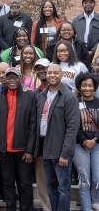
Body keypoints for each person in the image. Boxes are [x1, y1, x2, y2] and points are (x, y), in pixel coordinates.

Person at [35, 64, 80, 211]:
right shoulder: (42, 96)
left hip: (61, 151)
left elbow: (72, 128)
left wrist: (65, 154)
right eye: (50, 73)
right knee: (51, 186)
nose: (52, 75)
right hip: (46, 149)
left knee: (63, 188)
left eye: (56, 73)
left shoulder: (69, 96)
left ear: (62, 75)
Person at [0, 67, 36, 211]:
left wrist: (30, 150)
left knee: (25, 184)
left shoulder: (29, 96)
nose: (12, 80)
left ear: (20, 79)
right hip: (4, 150)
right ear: (4, 80)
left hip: (23, 150)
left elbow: (33, 125)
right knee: (8, 183)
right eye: (9, 77)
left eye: (15, 77)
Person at [74, 72, 99, 211]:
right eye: (84, 86)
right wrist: (84, 141)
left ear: (95, 87)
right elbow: (72, 125)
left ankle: (94, 201)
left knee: (97, 179)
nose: (87, 88)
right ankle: (86, 208)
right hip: (79, 146)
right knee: (85, 181)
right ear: (79, 86)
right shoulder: (75, 102)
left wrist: (94, 140)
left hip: (97, 145)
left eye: (90, 85)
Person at [32, 58, 52, 211]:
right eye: (38, 69)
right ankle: (46, 208)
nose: (41, 71)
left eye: (44, 68)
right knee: (41, 181)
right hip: (40, 142)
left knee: (56, 179)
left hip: (56, 143)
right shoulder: (35, 93)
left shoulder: (62, 90)